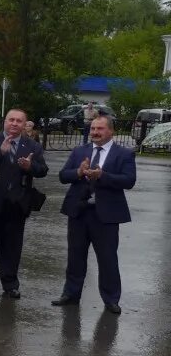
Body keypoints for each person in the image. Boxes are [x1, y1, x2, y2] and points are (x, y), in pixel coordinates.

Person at [52, 115, 137, 314]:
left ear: (111, 131)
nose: (95, 132)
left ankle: (111, 299)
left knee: (107, 258)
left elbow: (129, 180)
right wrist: (78, 173)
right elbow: (63, 176)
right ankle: (71, 294)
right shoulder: (79, 150)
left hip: (106, 216)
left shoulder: (123, 154)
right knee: (75, 256)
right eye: (92, 129)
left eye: (100, 129)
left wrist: (103, 176)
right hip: (79, 212)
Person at [0, 108, 48, 299]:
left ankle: (10, 284)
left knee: (12, 247)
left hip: (16, 204)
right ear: (5, 122)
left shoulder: (32, 146)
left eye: (19, 121)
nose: (14, 124)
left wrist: (31, 167)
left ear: (24, 124)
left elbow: (42, 170)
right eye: (11, 120)